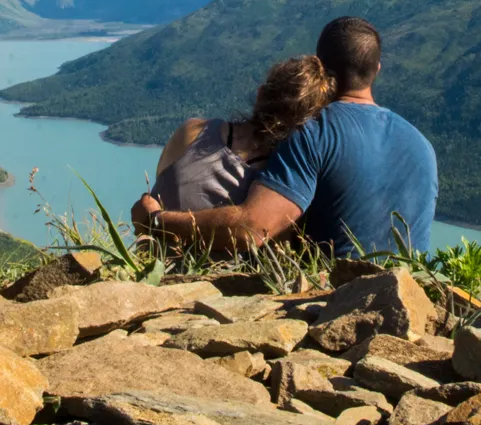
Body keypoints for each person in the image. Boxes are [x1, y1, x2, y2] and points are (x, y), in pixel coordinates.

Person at [132, 16, 438, 258]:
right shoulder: (423, 146)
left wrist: (156, 221)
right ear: (377, 69)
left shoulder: (315, 132)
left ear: (321, 71)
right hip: (410, 299)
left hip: (335, 302)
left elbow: (253, 228)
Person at [148, 54, 336, 218]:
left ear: (260, 94)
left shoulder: (191, 131)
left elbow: (157, 191)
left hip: (149, 256)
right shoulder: (277, 182)